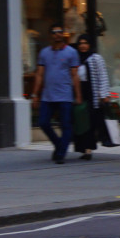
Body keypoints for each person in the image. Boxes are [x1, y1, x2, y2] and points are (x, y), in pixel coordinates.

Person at [31, 24, 81, 164]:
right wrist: (35, 95)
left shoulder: (71, 52)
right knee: (43, 122)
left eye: (60, 32)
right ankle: (59, 144)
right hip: (48, 96)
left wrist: (78, 96)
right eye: (54, 32)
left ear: (63, 34)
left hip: (65, 95)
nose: (57, 34)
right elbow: (39, 75)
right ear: (50, 35)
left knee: (66, 125)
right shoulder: (44, 53)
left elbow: (75, 75)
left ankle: (60, 153)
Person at [72, 34, 111, 160]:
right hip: (78, 93)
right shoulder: (75, 58)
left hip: (92, 93)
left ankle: (88, 149)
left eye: (85, 43)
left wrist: (104, 94)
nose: (83, 46)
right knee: (80, 121)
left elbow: (103, 76)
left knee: (90, 122)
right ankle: (82, 148)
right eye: (80, 43)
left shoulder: (96, 58)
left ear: (90, 45)